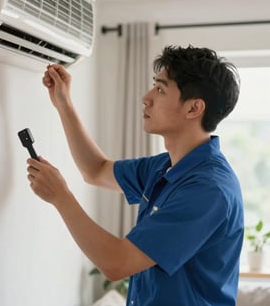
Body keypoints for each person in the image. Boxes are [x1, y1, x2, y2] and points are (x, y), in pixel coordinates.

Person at [26, 45, 244, 306]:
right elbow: (95, 170)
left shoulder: (207, 190)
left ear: (194, 108)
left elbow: (117, 263)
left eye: (161, 89)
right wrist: (64, 104)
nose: (146, 97)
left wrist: (61, 197)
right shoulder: (166, 166)